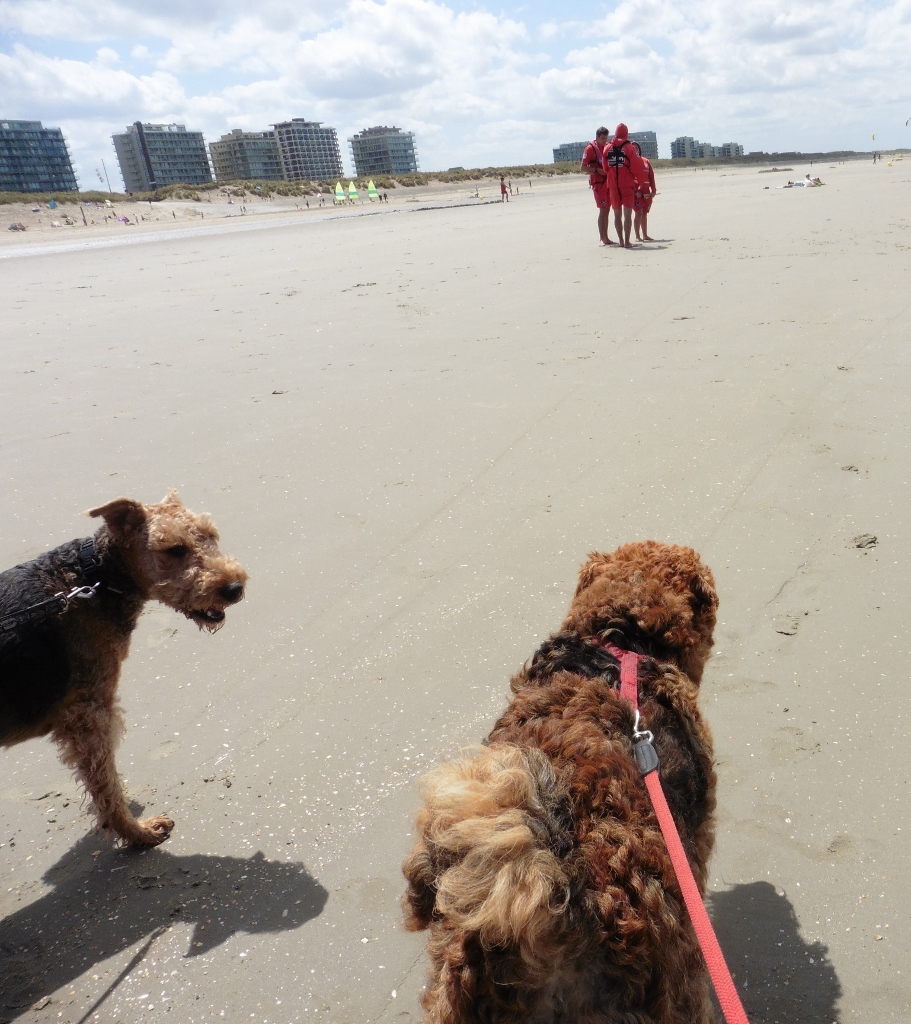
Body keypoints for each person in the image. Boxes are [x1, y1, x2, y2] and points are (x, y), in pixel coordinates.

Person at [604, 123, 648, 248]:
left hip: (613, 185)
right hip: (627, 185)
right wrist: (640, 182)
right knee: (627, 214)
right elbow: (637, 167)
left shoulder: (607, 148)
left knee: (617, 215)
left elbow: (605, 167)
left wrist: (612, 176)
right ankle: (627, 242)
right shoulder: (629, 148)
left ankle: (621, 241)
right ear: (626, 134)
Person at [581, 126, 612, 245]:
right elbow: (583, 168)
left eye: (606, 138)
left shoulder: (607, 147)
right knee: (603, 210)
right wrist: (597, 170)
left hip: (608, 183)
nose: (605, 140)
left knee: (607, 210)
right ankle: (602, 238)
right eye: (603, 138)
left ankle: (606, 237)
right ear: (597, 137)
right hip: (598, 184)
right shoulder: (590, 149)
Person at [634, 155, 656, 241]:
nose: (635, 150)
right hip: (636, 192)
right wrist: (635, 191)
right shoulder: (630, 161)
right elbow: (628, 178)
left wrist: (653, 190)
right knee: (638, 213)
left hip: (646, 191)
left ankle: (645, 235)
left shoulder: (646, 161)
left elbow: (651, 176)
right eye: (634, 149)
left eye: (637, 148)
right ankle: (637, 236)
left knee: (644, 213)